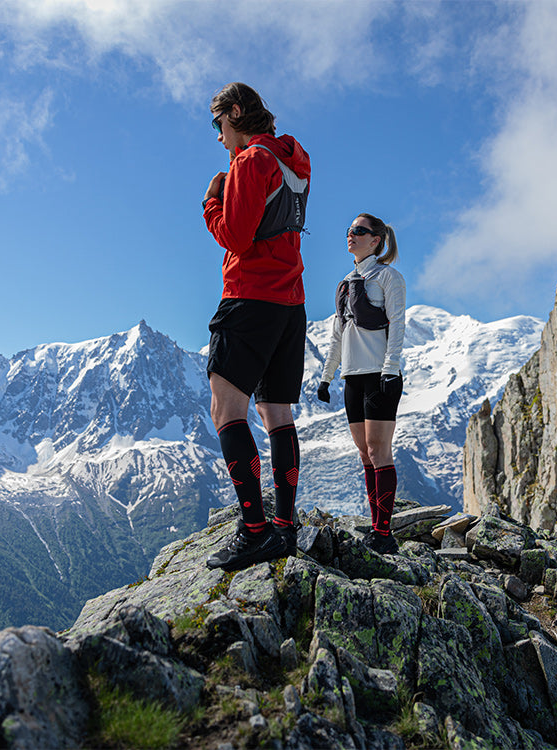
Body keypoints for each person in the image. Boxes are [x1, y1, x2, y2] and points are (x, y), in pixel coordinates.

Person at [201, 82, 311, 572]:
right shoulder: (295, 157)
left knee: (227, 410)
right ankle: (284, 528)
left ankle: (254, 531)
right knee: (277, 413)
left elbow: (236, 236)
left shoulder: (250, 161)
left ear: (236, 113)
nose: (219, 138)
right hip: (291, 302)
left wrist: (211, 203)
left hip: (249, 297)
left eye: (218, 125)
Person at [317, 214, 406, 554]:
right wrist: (327, 377)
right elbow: (338, 334)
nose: (351, 236)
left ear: (377, 240)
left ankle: (384, 534)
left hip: (380, 375)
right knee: (364, 454)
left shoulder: (388, 277)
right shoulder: (344, 283)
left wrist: (391, 367)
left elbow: (397, 324)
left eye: (359, 231)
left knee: (378, 450)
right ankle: (376, 526)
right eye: (349, 231)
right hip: (352, 377)